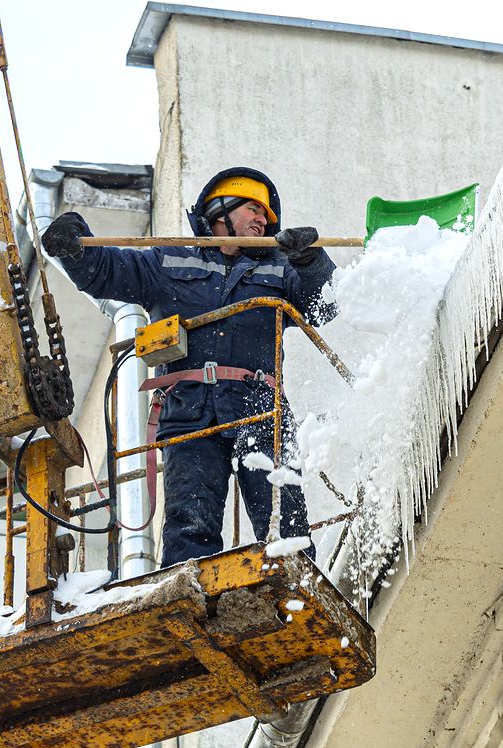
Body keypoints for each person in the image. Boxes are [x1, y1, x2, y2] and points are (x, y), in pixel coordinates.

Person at [41, 167, 334, 567]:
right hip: (189, 410)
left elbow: (325, 305)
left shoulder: (280, 269)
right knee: (189, 524)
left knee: (284, 520)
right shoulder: (169, 262)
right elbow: (106, 271)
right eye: (254, 208)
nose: (264, 220)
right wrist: (75, 245)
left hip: (261, 406)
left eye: (266, 214)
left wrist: (312, 261)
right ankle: (187, 599)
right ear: (221, 211)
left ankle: (298, 586)